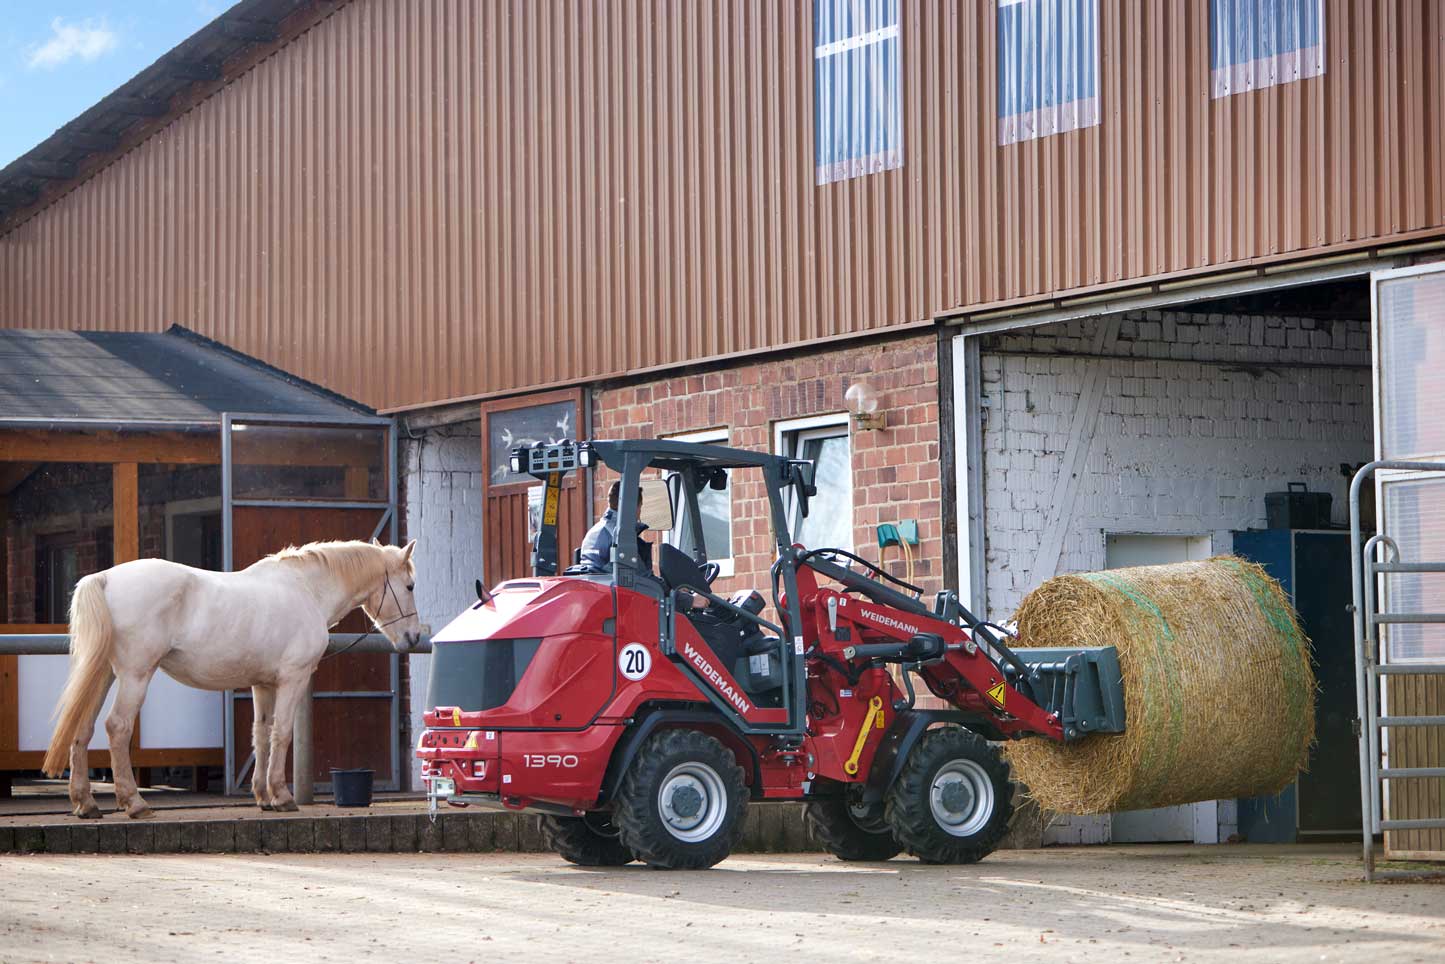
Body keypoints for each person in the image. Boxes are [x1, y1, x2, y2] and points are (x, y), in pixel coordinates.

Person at [577, 481, 651, 572]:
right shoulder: (621, 536)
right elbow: (642, 577)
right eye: (640, 507)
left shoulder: (594, 532)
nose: (640, 512)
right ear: (631, 507)